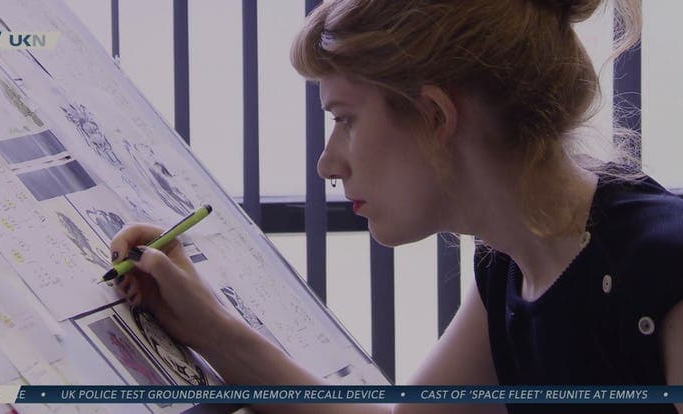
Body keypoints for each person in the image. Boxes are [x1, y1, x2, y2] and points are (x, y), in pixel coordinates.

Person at [110, 0, 683, 412]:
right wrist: (211, 329)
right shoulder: (512, 266)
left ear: (434, 115)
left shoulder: (665, 275)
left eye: (345, 120)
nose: (327, 165)